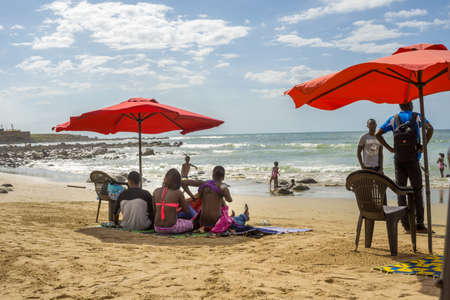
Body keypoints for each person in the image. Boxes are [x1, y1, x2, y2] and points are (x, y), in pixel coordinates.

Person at [376, 102, 433, 233]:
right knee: (417, 191)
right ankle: (419, 224)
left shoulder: (393, 118)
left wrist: (390, 149)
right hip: (414, 160)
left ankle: (406, 225)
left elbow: (378, 134)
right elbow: (430, 129)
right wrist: (423, 146)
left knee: (400, 191)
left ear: (400, 107)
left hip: (399, 160)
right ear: (411, 106)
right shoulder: (417, 116)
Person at [182, 166, 233, 230]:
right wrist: (224, 187)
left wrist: (192, 196)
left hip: (202, 221)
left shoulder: (204, 184)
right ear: (223, 177)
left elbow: (183, 183)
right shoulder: (222, 187)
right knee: (230, 219)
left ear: (213, 175)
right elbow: (229, 200)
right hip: (215, 222)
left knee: (219, 198)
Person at [153, 169, 193, 234]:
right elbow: (187, 211)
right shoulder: (178, 193)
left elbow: (155, 210)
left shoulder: (156, 191)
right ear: (178, 181)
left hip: (157, 228)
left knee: (178, 219)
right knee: (192, 223)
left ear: (165, 178)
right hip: (171, 228)